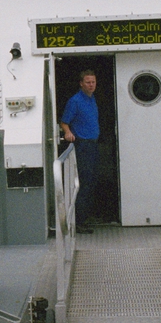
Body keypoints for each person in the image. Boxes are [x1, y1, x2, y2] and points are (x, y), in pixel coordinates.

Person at [59, 69, 99, 234]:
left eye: (93, 82)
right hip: (82, 145)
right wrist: (68, 132)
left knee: (91, 182)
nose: (91, 85)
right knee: (82, 182)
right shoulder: (75, 101)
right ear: (81, 83)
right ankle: (78, 221)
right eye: (88, 82)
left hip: (92, 145)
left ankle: (85, 216)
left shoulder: (92, 99)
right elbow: (64, 122)